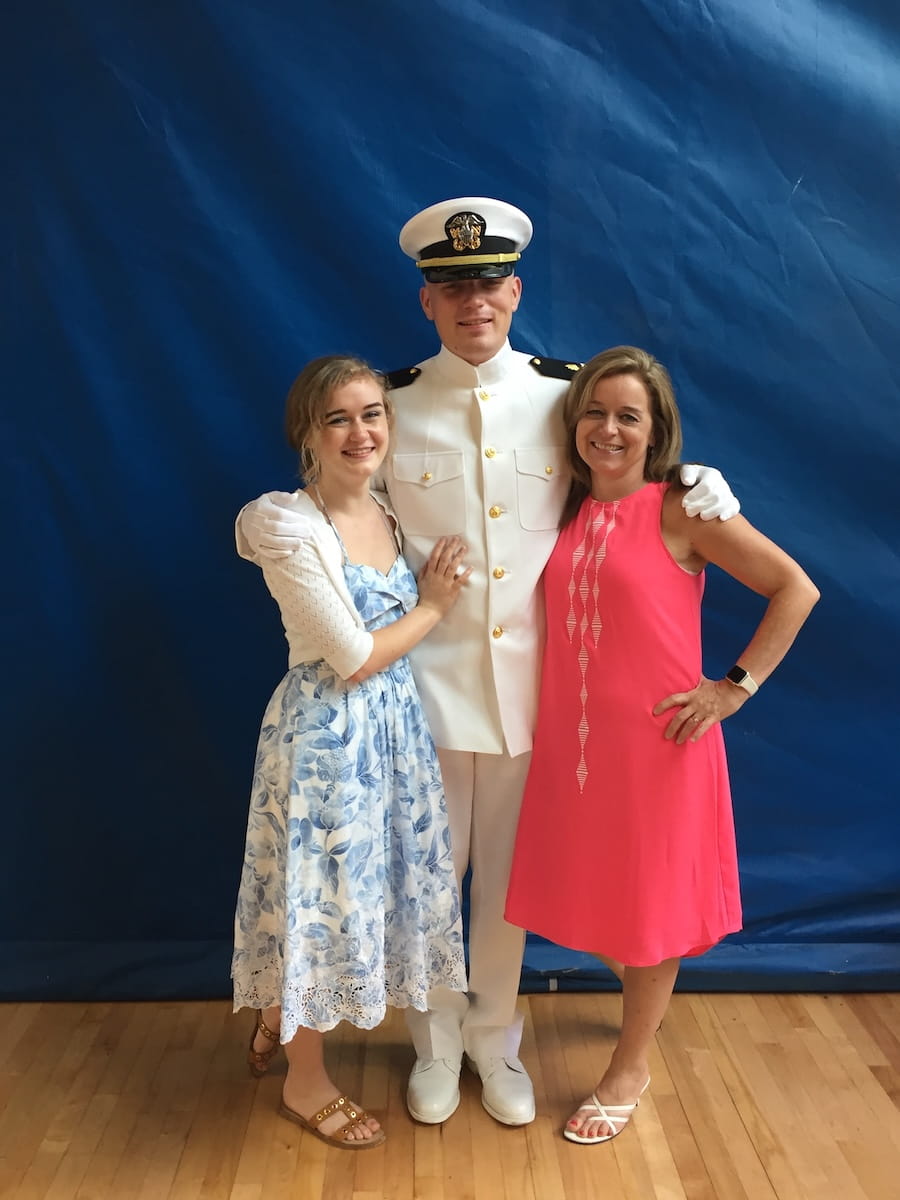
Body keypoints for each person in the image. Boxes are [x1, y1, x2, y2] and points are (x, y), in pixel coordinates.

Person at [235, 198, 740, 1128]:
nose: (474, 301)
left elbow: (626, 463)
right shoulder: (393, 405)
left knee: (507, 884)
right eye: (452, 285)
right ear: (427, 299)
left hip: (535, 694)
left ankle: (494, 1041)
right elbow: (338, 503)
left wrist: (696, 478)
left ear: (515, 290)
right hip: (417, 694)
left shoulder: (562, 396)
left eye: (489, 284)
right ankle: (433, 1045)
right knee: (428, 880)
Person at [505, 345, 819, 1144]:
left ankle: (629, 1066)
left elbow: (795, 588)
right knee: (600, 904)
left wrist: (732, 687)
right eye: (595, 412)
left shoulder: (683, 509)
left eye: (628, 416)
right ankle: (645, 1007)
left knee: (647, 913)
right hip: (576, 752)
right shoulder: (561, 507)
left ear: (656, 431)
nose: (608, 429)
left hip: (657, 749)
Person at [231, 355, 472, 1149]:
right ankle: (307, 1083)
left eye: (372, 413)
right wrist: (434, 605)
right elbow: (354, 654)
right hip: (329, 742)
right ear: (308, 433)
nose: (359, 431)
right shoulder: (288, 522)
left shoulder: (391, 513)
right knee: (321, 905)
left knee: (368, 901)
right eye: (338, 418)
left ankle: (280, 1015)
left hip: (394, 736)